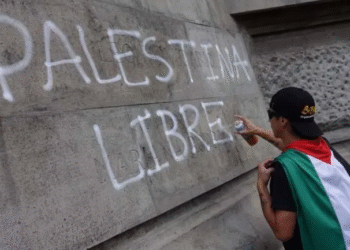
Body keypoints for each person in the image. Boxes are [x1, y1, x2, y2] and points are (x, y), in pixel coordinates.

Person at [236, 87, 350, 250]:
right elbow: (291, 145)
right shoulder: (324, 146)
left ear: (283, 121)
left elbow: (283, 232)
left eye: (270, 115)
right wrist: (257, 131)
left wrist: (261, 186)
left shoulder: (284, 168)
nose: (269, 121)